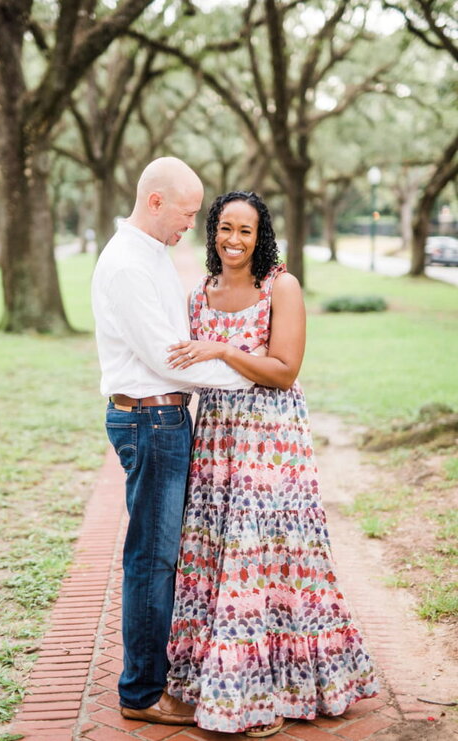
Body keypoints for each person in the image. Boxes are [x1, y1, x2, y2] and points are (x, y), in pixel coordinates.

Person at [164, 191, 378, 737]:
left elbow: (283, 369)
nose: (234, 240)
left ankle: (274, 692)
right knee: (219, 555)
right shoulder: (200, 294)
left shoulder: (280, 285)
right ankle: (220, 681)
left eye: (246, 231)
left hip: (270, 442)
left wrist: (220, 350)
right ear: (212, 231)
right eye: (225, 228)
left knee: (270, 559)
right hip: (215, 442)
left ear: (262, 237)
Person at [91, 157, 255, 726]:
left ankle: (149, 680)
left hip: (163, 420)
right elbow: (171, 360)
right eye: (187, 213)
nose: (193, 225)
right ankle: (140, 694)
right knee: (152, 561)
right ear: (156, 201)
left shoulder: (151, 255)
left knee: (160, 556)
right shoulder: (129, 265)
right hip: (151, 421)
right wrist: (252, 373)